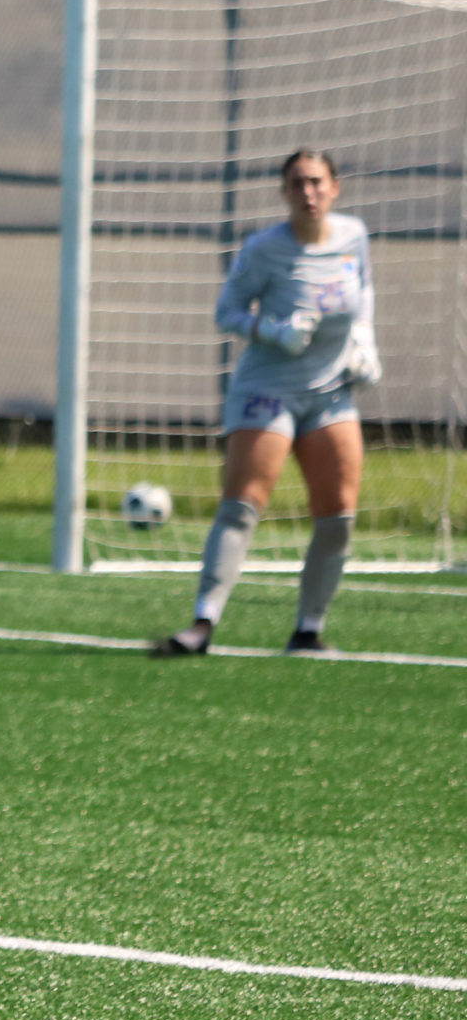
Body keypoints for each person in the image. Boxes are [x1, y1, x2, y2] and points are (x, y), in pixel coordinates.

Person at [156, 148, 378, 656]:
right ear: (284, 193)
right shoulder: (263, 249)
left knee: (339, 515)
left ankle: (307, 631)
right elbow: (227, 311)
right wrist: (271, 332)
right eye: (298, 184)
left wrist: (365, 340)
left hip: (330, 393)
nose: (308, 193)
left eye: (317, 182)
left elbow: (362, 291)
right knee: (242, 505)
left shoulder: (353, 237)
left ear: (335, 187)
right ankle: (202, 624)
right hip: (267, 389)